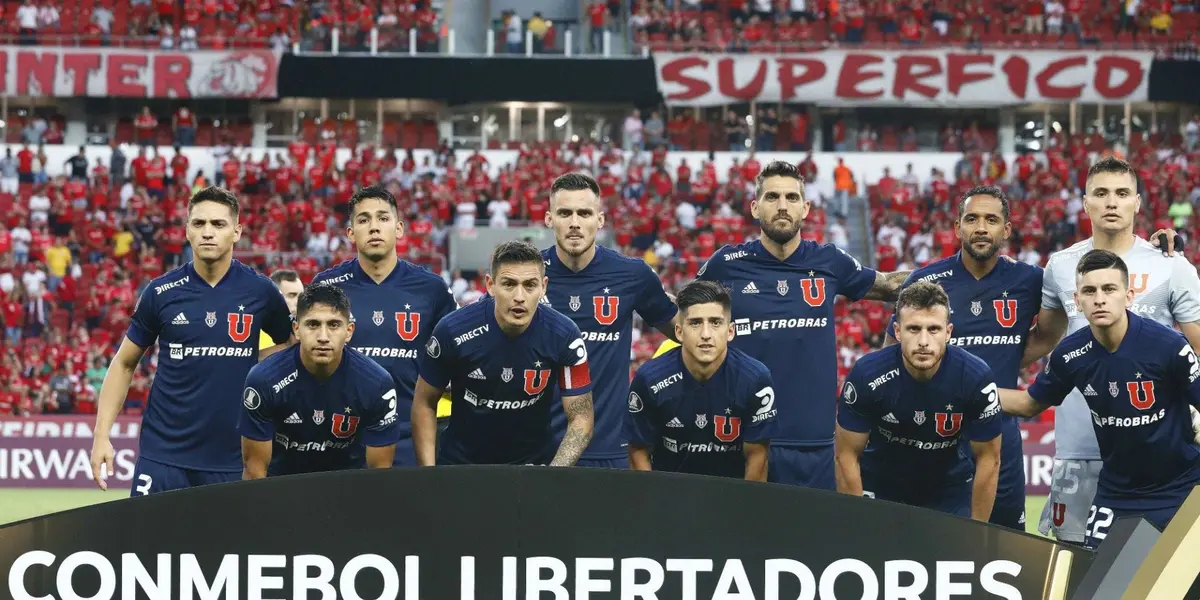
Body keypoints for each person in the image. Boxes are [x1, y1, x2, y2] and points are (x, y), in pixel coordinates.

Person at [696, 160, 909, 489]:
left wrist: (952, 274)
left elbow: (891, 286)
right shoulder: (725, 264)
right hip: (742, 442)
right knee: (740, 524)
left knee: (815, 525)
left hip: (815, 445)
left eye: (791, 197)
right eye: (772, 197)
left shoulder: (830, 261)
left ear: (806, 208)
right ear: (755, 207)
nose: (782, 206)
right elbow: (684, 317)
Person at [1022, 156, 1200, 545]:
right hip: (1078, 447)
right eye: (1101, 193)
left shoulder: (1171, 265)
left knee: (1160, 565)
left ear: (1137, 202)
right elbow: (1044, 339)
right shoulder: (1061, 266)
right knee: (1074, 563)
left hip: (1155, 457)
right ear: (1085, 202)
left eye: (1122, 193)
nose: (1111, 202)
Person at [88, 187, 293, 495]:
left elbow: (293, 349)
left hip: (232, 458)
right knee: (147, 530)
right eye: (199, 223)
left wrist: (253, 358)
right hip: (163, 456)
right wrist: (101, 434)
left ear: (237, 232)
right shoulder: (161, 292)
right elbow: (124, 363)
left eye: (218, 224)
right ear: (187, 230)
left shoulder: (261, 292)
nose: (207, 232)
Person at [998, 249, 1200, 548]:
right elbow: (1029, 404)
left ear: (1128, 296)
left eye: (1109, 289)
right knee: (1100, 576)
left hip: (1183, 488)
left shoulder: (1168, 346)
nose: (1100, 299)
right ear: (1077, 300)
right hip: (1117, 495)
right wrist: (970, 389)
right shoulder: (1069, 354)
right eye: (1090, 291)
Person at [883, 186, 1041, 531]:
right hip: (935, 437)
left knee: (1008, 544)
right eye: (972, 219)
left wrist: (1013, 357)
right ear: (957, 227)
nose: (981, 228)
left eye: (991, 220)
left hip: (1000, 434)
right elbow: (892, 354)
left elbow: (1053, 328)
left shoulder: (1029, 280)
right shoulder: (926, 281)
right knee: (935, 543)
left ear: (1006, 229)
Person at [411, 240, 594, 466]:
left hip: (534, 468)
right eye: (509, 284)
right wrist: (429, 476)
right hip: (462, 467)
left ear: (544, 286)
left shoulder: (565, 336)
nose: (519, 296)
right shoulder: (452, 330)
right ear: (490, 285)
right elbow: (424, 403)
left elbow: (581, 417)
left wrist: (553, 474)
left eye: (530, 285)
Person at [312, 185, 458, 466]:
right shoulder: (326, 287)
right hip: (340, 436)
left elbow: (455, 358)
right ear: (351, 232)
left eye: (383, 218)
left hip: (410, 436)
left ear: (399, 228)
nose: (374, 227)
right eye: (364, 220)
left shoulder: (432, 289)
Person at [541, 172, 678, 469]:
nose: (574, 223)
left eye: (584, 213)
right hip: (538, 450)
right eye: (565, 213)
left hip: (610, 451)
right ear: (549, 219)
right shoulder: (527, 277)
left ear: (600, 220)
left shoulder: (632, 274)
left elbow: (686, 333)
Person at [835, 280, 1003, 520]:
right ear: (897, 331)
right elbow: (846, 455)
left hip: (949, 490)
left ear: (948, 332)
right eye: (913, 329)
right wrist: (856, 521)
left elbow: (989, 459)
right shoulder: (866, 375)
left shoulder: (976, 378)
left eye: (933, 329)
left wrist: (978, 531)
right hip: (881, 487)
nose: (923, 341)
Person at [240, 284, 401, 477]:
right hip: (282, 485)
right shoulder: (264, 380)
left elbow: (379, 476)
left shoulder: (377, 384)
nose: (323, 337)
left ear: (349, 331)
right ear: (296, 329)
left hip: (349, 486)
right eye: (313, 324)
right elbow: (254, 473)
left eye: (334, 325)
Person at [625, 280, 777, 480]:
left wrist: (743, 502)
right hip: (668, 493)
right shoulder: (650, 380)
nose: (706, 334)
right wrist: (654, 499)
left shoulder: (755, 380)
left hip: (732, 494)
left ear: (730, 331)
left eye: (715, 322)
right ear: (679, 332)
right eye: (695, 323)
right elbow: (638, 453)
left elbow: (757, 458)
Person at [259, 269, 303, 351]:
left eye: (301, 296)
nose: (299, 301)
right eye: (292, 295)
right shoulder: (255, 331)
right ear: (274, 297)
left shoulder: (304, 331)